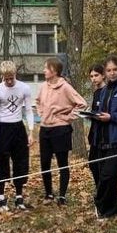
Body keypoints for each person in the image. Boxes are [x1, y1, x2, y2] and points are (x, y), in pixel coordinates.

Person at [35, 57, 88, 206]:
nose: (44, 71)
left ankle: (62, 196)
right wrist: (42, 113)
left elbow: (81, 104)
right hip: (45, 129)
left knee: (62, 163)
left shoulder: (65, 87)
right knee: (44, 163)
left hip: (61, 130)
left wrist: (68, 118)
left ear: (54, 70)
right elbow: (37, 102)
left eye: (46, 68)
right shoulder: (43, 86)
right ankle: (48, 193)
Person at [0, 60, 34, 212]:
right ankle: (1, 198)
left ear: (15, 74)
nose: (9, 81)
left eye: (11, 77)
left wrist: (31, 131)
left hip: (18, 127)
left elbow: (28, 110)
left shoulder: (24, 88)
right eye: (6, 78)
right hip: (3, 128)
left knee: (20, 162)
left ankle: (19, 196)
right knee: (2, 162)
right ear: (2, 76)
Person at [90, 55, 117, 219]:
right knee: (108, 176)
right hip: (102, 140)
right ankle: (112, 210)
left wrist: (112, 117)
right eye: (109, 70)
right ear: (105, 73)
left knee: (108, 174)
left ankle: (99, 203)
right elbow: (100, 112)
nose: (112, 73)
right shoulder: (103, 91)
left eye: (115, 70)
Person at [85, 63, 106, 191]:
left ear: (103, 75)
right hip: (94, 134)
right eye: (91, 76)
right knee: (92, 163)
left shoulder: (107, 91)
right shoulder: (96, 92)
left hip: (104, 135)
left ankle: (103, 190)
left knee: (102, 165)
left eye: (96, 75)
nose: (93, 78)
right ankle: (99, 188)